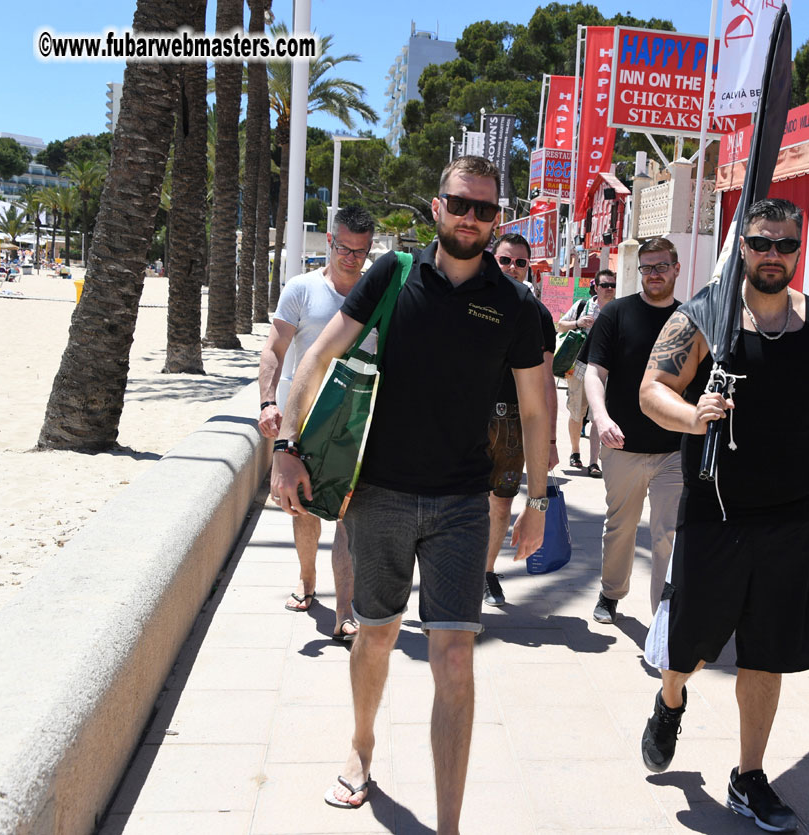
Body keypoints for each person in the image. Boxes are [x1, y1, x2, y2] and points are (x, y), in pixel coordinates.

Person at [270, 155, 549, 828]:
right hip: (380, 494)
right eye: (460, 203)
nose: (471, 219)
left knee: (455, 655)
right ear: (435, 206)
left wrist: (535, 500)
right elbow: (317, 356)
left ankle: (447, 822)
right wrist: (285, 446)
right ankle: (362, 745)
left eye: (485, 209)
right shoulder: (392, 276)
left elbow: (537, 410)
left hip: (462, 502)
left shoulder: (513, 304)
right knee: (376, 637)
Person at [638, 199, 809, 831]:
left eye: (785, 245)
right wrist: (690, 416)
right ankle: (670, 700)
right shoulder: (705, 318)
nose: (774, 255)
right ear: (742, 247)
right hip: (714, 513)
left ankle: (748, 775)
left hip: (788, 519)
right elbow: (651, 388)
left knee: (767, 652)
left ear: (799, 251)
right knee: (688, 644)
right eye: (762, 243)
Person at [258, 206, 374, 641]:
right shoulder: (302, 289)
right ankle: (308, 582)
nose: (351, 258)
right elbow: (275, 349)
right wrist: (269, 402)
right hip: (300, 420)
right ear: (329, 240)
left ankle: (345, 609)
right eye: (344, 248)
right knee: (302, 509)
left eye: (360, 252)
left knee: (346, 513)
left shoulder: (376, 293)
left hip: (353, 423)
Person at [585, 242, 684, 625]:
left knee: (667, 534)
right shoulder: (616, 313)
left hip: (674, 450)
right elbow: (594, 372)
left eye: (661, 266)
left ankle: (663, 616)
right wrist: (601, 417)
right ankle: (611, 594)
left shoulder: (689, 319)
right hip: (622, 446)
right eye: (646, 268)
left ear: (675, 269)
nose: (653, 273)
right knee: (621, 527)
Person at [483, 232, 559, 607]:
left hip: (513, 423)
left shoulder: (537, 313)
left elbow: (545, 383)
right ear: (491, 259)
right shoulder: (472, 300)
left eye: (520, 262)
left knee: (500, 502)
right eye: (504, 260)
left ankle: (486, 572)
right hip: (468, 416)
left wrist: (550, 443)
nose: (512, 268)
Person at [556, 272, 616, 475]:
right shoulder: (583, 306)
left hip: (606, 369)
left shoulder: (619, 309)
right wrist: (578, 323)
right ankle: (575, 452)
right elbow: (560, 325)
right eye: (605, 285)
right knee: (577, 413)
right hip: (580, 366)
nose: (609, 288)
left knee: (598, 414)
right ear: (596, 287)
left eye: (612, 285)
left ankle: (593, 462)